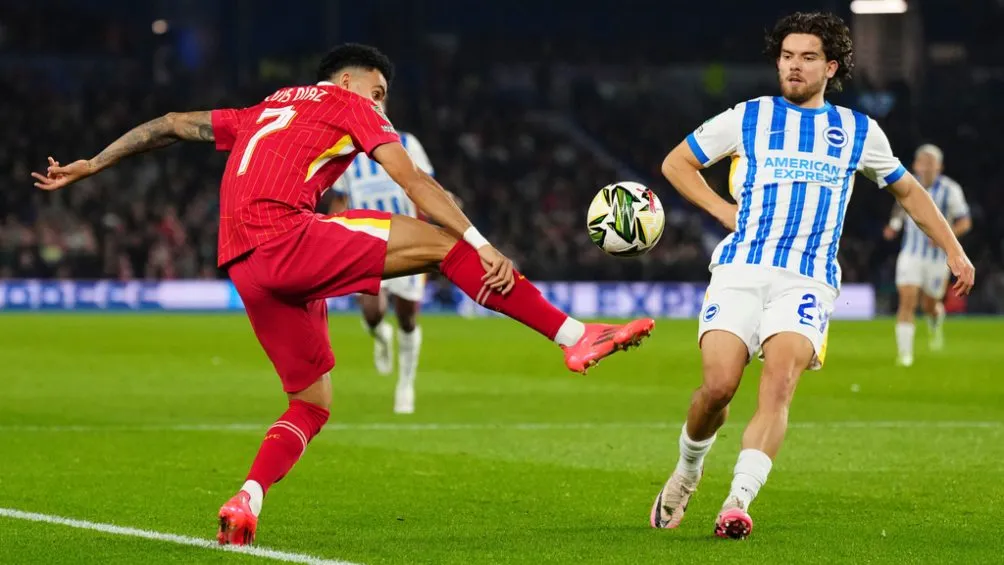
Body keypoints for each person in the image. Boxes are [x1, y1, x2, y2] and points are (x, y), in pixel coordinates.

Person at [31, 44, 655, 546]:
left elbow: (171, 125)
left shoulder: (266, 108)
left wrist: (93, 163)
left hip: (243, 263)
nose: (383, 106)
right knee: (446, 244)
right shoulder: (348, 105)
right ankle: (575, 335)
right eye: (379, 92)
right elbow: (412, 178)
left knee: (312, 401)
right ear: (351, 82)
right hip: (285, 234)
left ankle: (248, 496)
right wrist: (480, 240)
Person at [649, 13, 974, 539]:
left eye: (805, 58)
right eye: (786, 57)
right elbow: (677, 163)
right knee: (719, 387)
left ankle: (738, 501)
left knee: (778, 388)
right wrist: (721, 210)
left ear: (831, 66)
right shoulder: (747, 116)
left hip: (808, 279)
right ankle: (687, 471)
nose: (793, 67)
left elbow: (910, 191)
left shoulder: (858, 131)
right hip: (741, 268)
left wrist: (954, 251)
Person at [328, 121, 441, 414]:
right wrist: (330, 236)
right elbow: (340, 200)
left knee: (406, 318)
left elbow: (425, 186)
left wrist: (441, 214)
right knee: (372, 312)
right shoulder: (346, 153)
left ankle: (405, 385)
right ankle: (380, 335)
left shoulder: (406, 142)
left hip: (408, 238)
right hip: (365, 240)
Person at [883, 144, 971, 366]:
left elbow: (965, 222)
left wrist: (945, 237)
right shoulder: (908, 183)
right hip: (910, 254)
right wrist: (893, 226)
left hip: (936, 259)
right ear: (915, 165)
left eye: (931, 163)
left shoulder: (950, 190)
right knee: (907, 299)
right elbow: (900, 209)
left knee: (930, 305)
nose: (926, 167)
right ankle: (905, 355)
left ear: (939, 166)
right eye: (922, 162)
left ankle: (935, 321)